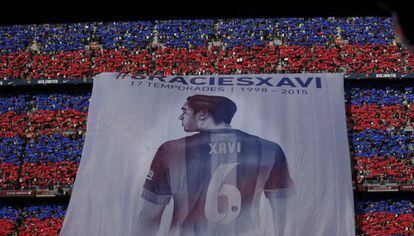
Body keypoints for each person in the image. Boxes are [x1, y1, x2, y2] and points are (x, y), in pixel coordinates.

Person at [137, 94, 295, 236]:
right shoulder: (269, 149)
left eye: (185, 111)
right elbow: (285, 215)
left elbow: (148, 216)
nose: (180, 117)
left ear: (203, 114)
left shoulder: (170, 150)